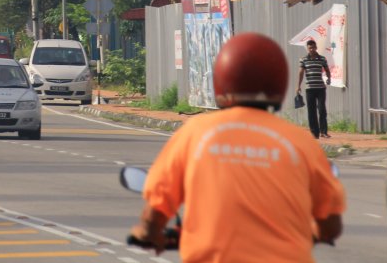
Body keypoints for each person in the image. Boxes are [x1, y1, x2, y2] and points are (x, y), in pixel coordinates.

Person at [130, 33, 345, 262]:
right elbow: (331, 224)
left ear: (221, 78)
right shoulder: (301, 143)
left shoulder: (195, 133)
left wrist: (146, 233)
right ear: (279, 80)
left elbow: (155, 213)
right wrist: (311, 233)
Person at [296, 38, 332, 139]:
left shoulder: (322, 59)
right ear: (307, 49)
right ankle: (314, 133)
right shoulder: (303, 59)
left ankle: (323, 132)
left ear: (316, 48)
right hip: (310, 89)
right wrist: (298, 86)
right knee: (311, 112)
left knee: (322, 110)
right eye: (309, 48)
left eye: (313, 47)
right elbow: (301, 73)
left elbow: (327, 70)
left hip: (320, 88)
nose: (311, 49)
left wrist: (329, 78)